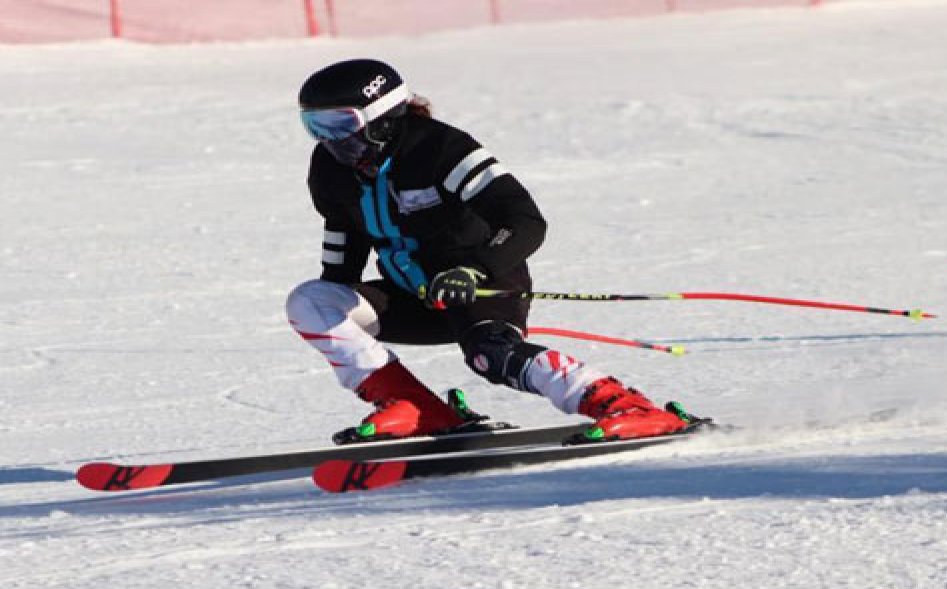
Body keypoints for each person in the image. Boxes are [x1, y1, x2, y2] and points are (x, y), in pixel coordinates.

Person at [286, 58, 688, 443]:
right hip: (415, 295)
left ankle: (626, 405)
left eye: (339, 124)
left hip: (482, 281)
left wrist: (472, 270)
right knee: (310, 301)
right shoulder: (330, 167)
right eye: (314, 126)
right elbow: (344, 232)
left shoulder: (440, 148)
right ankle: (417, 408)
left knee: (491, 356)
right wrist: (336, 299)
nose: (328, 139)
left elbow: (524, 220)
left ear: (382, 117)